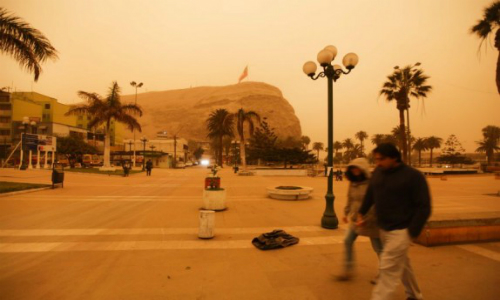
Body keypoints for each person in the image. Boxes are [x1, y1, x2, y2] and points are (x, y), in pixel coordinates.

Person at [358, 143, 431, 300]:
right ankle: (415, 295)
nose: (378, 163)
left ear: (394, 157)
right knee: (403, 265)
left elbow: (424, 207)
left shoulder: (414, 176)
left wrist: (411, 233)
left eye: (381, 159)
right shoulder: (378, 171)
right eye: (376, 159)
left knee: (387, 270)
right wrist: (361, 212)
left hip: (401, 231)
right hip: (383, 229)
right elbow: (371, 193)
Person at [337, 158, 382, 282]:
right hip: (356, 219)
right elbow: (350, 198)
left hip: (372, 221)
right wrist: (346, 212)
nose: (355, 170)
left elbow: (374, 203)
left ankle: (383, 273)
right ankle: (348, 270)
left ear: (364, 169)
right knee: (347, 241)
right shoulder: (353, 182)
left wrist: (367, 218)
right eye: (353, 168)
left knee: (378, 248)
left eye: (358, 168)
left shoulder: (371, 183)